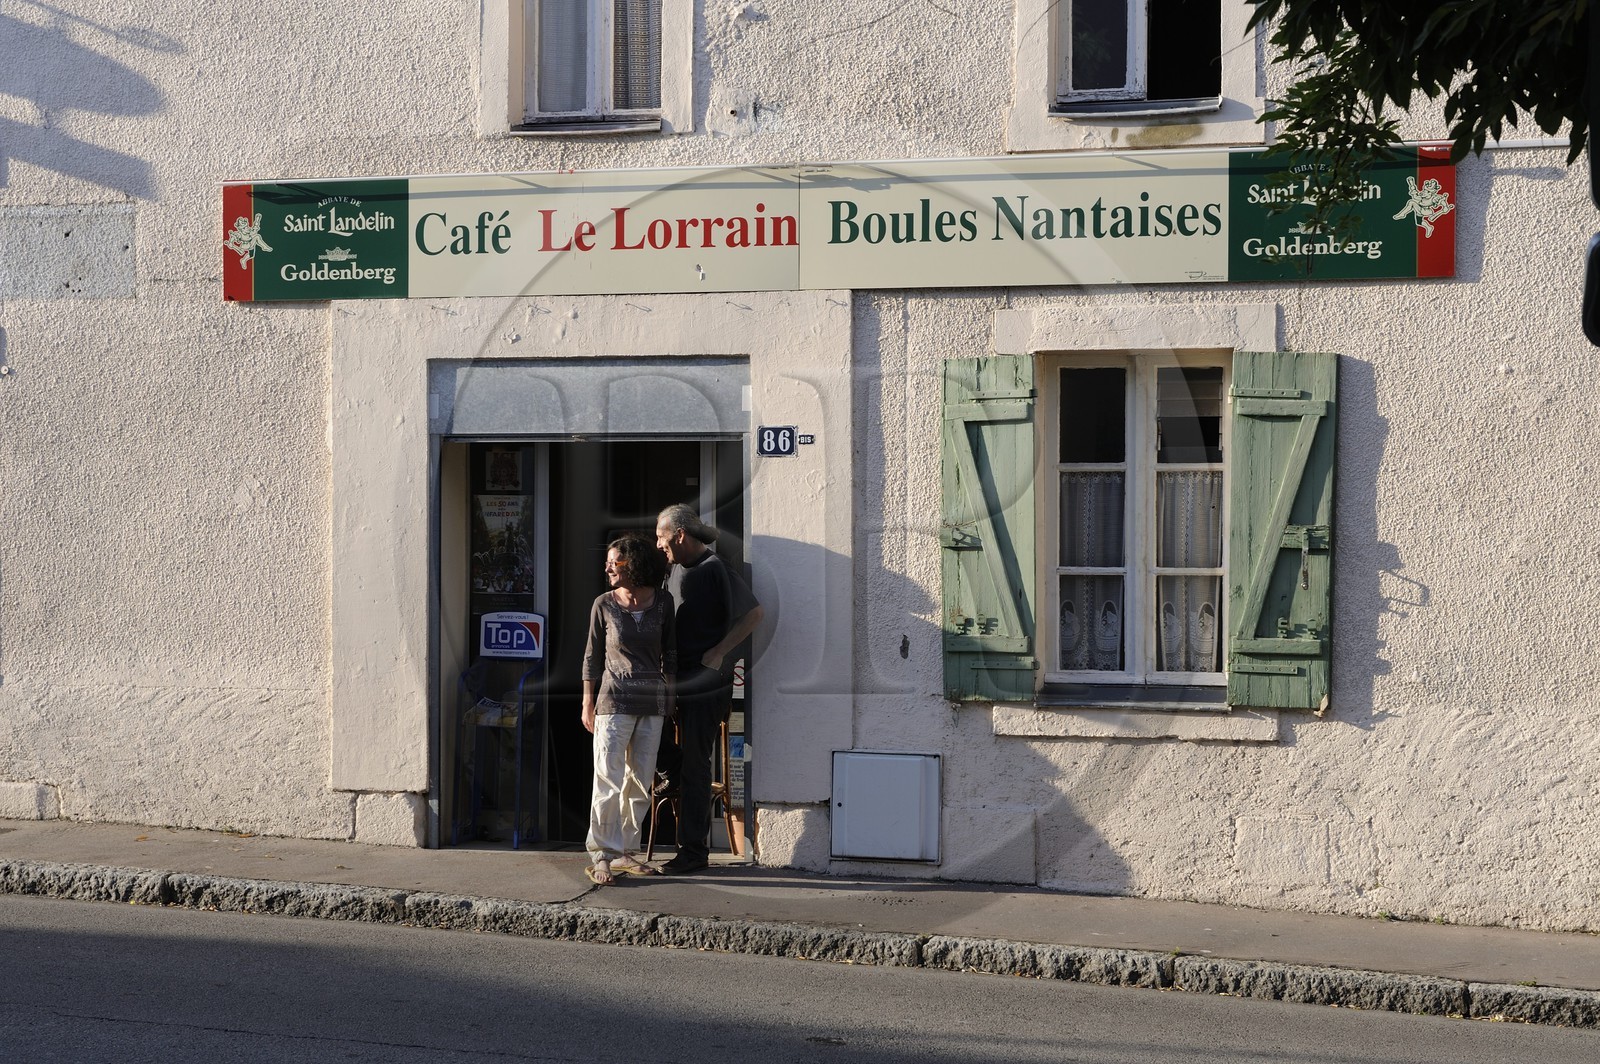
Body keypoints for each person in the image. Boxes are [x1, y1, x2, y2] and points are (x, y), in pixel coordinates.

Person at [653, 503, 763, 875]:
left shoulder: (715, 569)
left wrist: (718, 652)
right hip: (675, 680)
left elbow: (754, 614)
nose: (658, 545)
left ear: (680, 534)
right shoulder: (676, 571)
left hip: (705, 684)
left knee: (696, 766)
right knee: (651, 739)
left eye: (661, 537)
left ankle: (694, 851)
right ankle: (675, 767)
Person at [581, 533, 675, 885]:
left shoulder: (664, 603)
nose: (608, 568)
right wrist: (587, 702)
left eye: (614, 562)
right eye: (607, 562)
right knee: (608, 778)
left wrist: (672, 695)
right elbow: (591, 657)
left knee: (640, 780)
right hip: (613, 701)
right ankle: (602, 853)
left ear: (633, 564)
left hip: (652, 702)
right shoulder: (603, 604)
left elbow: (672, 654)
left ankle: (625, 852)